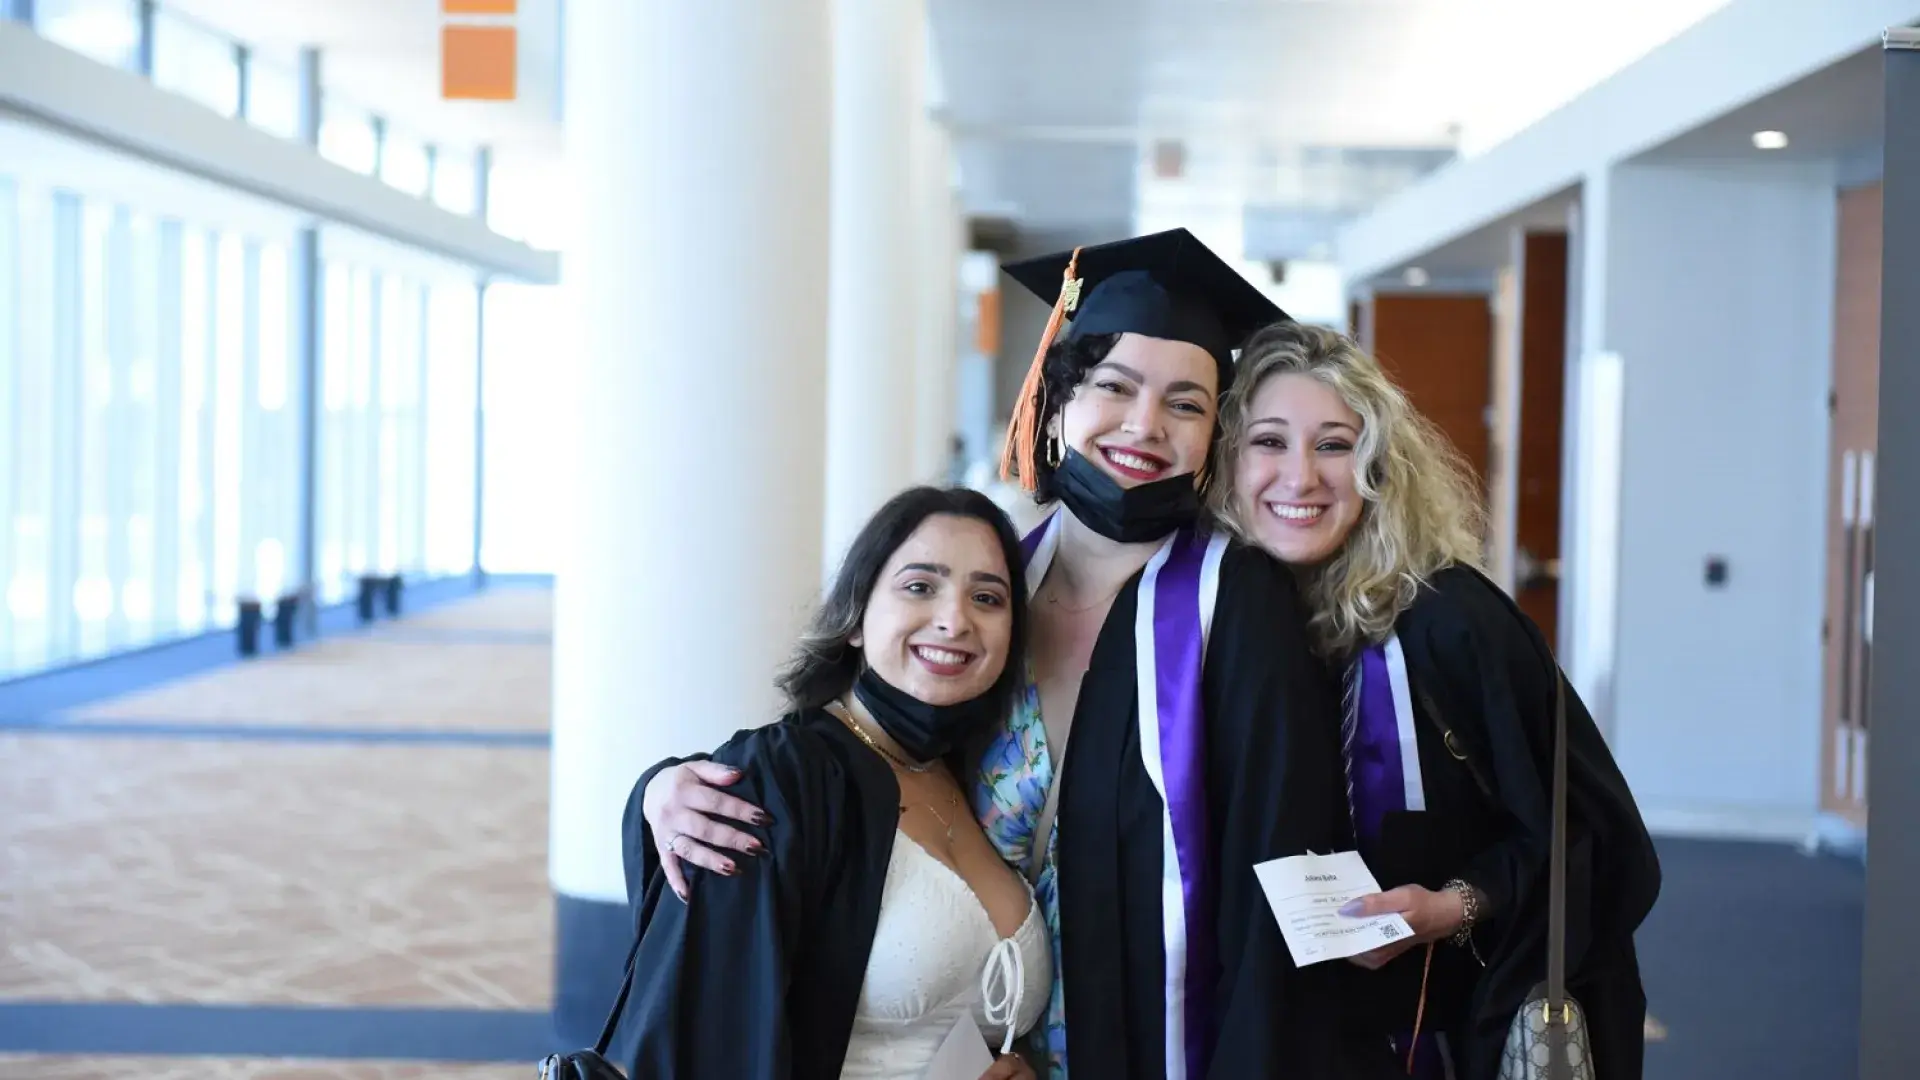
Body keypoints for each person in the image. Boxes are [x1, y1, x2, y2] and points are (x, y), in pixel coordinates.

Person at [639, 229, 1371, 1079]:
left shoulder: (1236, 607)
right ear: (1056, 401)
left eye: (1186, 403)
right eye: (1114, 386)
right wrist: (666, 788)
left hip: (1159, 1049)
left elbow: (1279, 887)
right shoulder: (993, 587)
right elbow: (854, 751)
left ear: (1215, 435)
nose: (1145, 425)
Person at [1212, 320, 1661, 1080]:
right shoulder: (1209, 630)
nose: (1300, 476)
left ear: (1378, 466)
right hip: (1269, 1031)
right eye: (1269, 442)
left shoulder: (1453, 621)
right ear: (1226, 462)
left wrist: (1451, 906)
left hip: (1435, 1037)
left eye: (1333, 444)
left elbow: (1589, 834)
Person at [608, 486, 1051, 1079]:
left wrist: (1015, 1059)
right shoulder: (781, 780)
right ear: (855, 619)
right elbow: (710, 1042)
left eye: (988, 598)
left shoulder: (986, 777)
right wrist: (654, 791)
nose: (955, 620)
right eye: (920, 587)